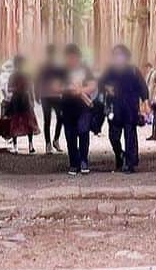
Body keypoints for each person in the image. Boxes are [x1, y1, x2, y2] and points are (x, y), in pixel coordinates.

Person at [101, 44, 149, 173]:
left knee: (130, 135)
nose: (118, 58)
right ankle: (119, 154)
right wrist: (107, 88)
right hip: (114, 107)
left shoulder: (133, 70)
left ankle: (130, 163)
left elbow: (142, 87)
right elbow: (100, 83)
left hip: (130, 107)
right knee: (113, 137)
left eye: (121, 55)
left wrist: (145, 102)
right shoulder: (109, 71)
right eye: (116, 55)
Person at [59, 43, 96, 176]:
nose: (72, 59)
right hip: (68, 107)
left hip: (83, 107)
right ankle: (73, 163)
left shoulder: (86, 70)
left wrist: (81, 90)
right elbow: (55, 86)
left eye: (74, 57)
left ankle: (84, 160)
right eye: (69, 57)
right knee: (70, 135)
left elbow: (93, 85)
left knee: (83, 132)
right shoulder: (62, 71)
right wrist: (67, 88)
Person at [4, 55, 39, 154]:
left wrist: (15, 89)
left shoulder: (13, 76)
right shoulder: (27, 75)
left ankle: (15, 146)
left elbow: (9, 89)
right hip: (25, 99)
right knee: (28, 123)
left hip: (16, 99)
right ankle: (30, 145)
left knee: (15, 122)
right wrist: (32, 101)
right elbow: (30, 89)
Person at [35, 45, 66, 154]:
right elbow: (37, 80)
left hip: (56, 95)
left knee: (60, 118)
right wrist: (36, 93)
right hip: (46, 96)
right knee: (47, 119)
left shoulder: (59, 67)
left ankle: (55, 140)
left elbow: (65, 79)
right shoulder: (42, 67)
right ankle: (48, 144)